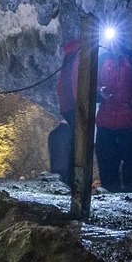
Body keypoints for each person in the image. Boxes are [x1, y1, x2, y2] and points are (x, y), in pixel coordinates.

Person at [94, 37, 132, 192]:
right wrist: (100, 93)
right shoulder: (102, 60)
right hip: (106, 118)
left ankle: (129, 187)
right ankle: (109, 188)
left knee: (128, 157)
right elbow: (92, 83)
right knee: (106, 155)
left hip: (128, 118)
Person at [49, 37, 82, 182]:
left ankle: (66, 179)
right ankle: (73, 180)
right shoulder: (82, 55)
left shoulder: (69, 56)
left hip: (68, 105)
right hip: (77, 106)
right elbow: (76, 81)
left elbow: (61, 84)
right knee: (77, 144)